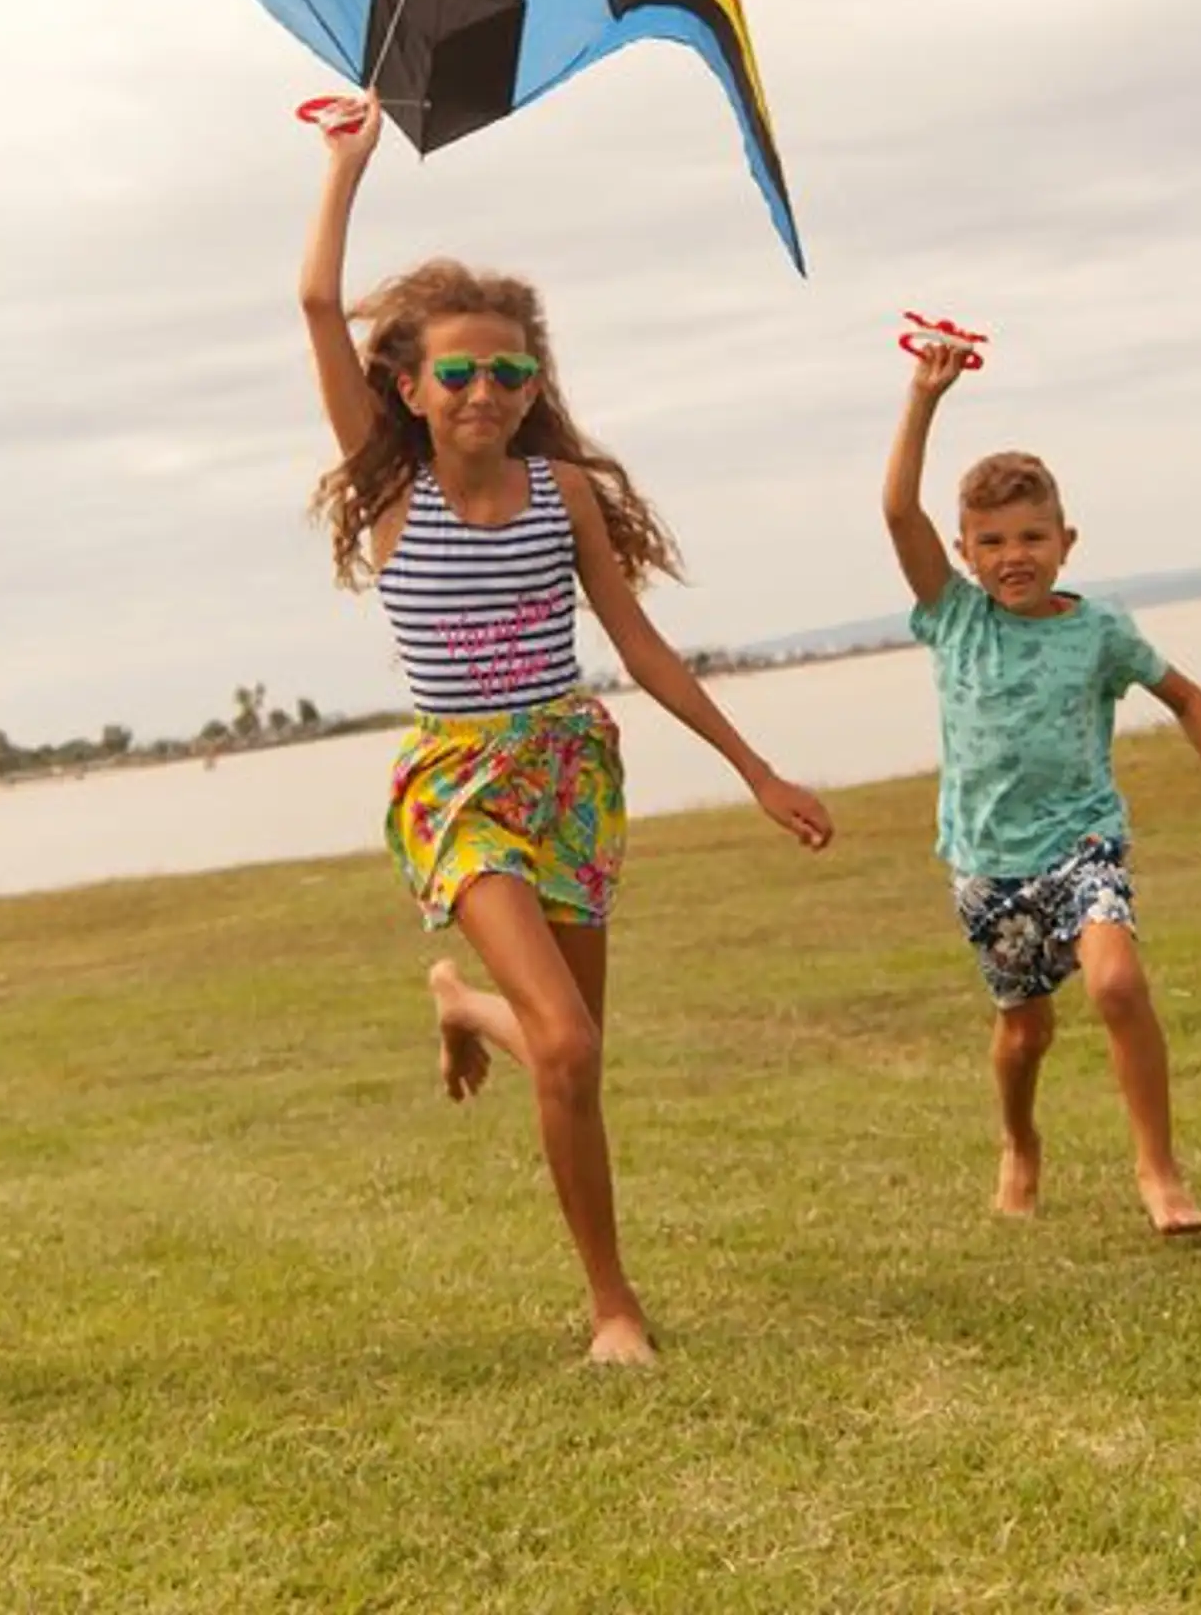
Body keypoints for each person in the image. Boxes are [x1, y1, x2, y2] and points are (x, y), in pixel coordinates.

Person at [299, 96, 834, 1364]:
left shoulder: (566, 494)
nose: (487, 390)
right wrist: (345, 166)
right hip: (460, 782)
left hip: (569, 771)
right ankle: (612, 1307)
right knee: (571, 1037)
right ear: (411, 385)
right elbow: (321, 308)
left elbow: (639, 646)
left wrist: (755, 770)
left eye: (512, 370)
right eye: (461, 372)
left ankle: (461, 1006)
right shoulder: (393, 488)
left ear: (536, 383)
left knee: (575, 1052)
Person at [884, 333, 1201, 1235]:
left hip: (1082, 840)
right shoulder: (953, 617)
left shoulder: (1099, 632)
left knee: (1118, 985)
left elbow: (1191, 700)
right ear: (968, 553)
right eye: (993, 542)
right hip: (986, 860)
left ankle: (1159, 1172)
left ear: (1066, 541)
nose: (1015, 556)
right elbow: (899, 511)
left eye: (1033, 537)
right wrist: (924, 399)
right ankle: (1019, 1142)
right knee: (1026, 1032)